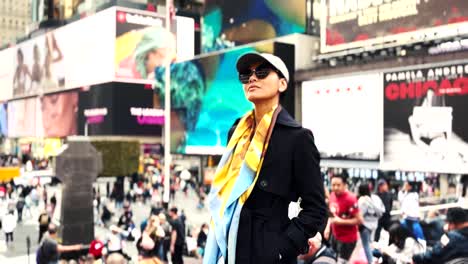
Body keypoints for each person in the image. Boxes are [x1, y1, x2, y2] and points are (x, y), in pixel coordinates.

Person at [204, 53, 327, 264]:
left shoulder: (298, 138)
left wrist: (280, 248)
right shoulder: (236, 132)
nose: (252, 78)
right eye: (246, 75)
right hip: (228, 248)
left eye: (261, 72)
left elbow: (316, 209)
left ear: (282, 83)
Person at [328, 174, 363, 263]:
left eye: (338, 185)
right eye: (333, 185)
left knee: (342, 262)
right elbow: (332, 214)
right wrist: (328, 227)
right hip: (335, 236)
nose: (335, 187)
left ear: (344, 185)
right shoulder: (332, 195)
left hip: (347, 239)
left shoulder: (350, 199)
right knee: (332, 259)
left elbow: (359, 220)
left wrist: (341, 221)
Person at [357, 183, 385, 264]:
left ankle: (370, 261)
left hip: (365, 225)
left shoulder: (362, 200)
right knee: (370, 244)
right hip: (374, 224)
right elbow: (382, 210)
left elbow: (360, 214)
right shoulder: (376, 198)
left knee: (366, 245)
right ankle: (373, 259)